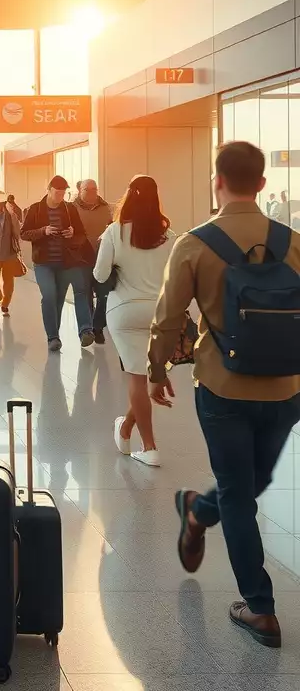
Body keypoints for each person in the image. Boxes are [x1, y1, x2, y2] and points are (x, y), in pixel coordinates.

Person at [149, 142, 300, 649]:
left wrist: (155, 370)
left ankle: (199, 512)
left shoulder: (194, 244)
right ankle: (259, 607)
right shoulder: (293, 241)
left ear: (217, 181)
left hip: (221, 386)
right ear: (261, 184)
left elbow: (169, 318)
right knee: (249, 483)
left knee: (243, 486)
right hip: (286, 388)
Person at [94, 175, 174, 468]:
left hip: (125, 311)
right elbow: (174, 280)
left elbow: (100, 276)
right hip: (159, 313)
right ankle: (126, 428)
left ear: (128, 197)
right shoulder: (170, 236)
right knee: (144, 378)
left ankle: (150, 447)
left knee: (137, 379)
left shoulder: (114, 232)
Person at [20, 175, 94, 352]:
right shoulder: (35, 209)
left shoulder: (69, 209)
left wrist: (72, 234)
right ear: (49, 190)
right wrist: (43, 231)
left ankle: (79, 332)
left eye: (63, 193)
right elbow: (24, 233)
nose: (60, 197)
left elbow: (82, 234)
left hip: (66, 261)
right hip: (43, 263)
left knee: (65, 296)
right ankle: (52, 336)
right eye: (57, 193)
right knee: (49, 296)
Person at [73, 178, 114, 345]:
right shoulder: (71, 209)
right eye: (87, 189)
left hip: (102, 258)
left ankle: (98, 326)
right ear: (79, 190)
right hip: (80, 259)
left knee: (104, 295)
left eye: (94, 189)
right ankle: (86, 330)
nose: (91, 193)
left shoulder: (106, 209)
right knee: (83, 294)